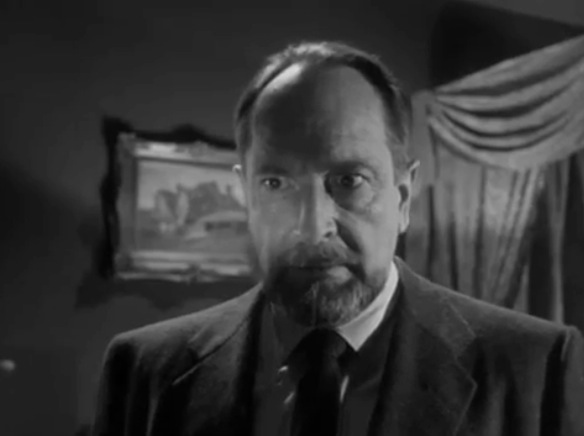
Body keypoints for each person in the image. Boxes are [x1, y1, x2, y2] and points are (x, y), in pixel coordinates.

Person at [91, 42, 584, 436]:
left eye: (349, 180)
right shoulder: (143, 370)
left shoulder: (536, 369)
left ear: (403, 198)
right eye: (276, 183)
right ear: (245, 197)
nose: (312, 228)